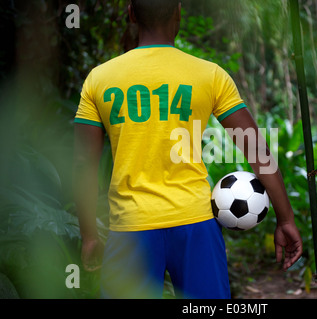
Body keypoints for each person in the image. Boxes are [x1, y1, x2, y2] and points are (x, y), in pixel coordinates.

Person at [73, 0, 302, 299]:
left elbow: (83, 164)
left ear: (131, 13)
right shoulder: (209, 75)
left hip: (131, 228)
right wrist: (285, 219)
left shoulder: (99, 79)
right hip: (196, 224)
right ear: (179, 11)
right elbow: (257, 150)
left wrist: (89, 234)